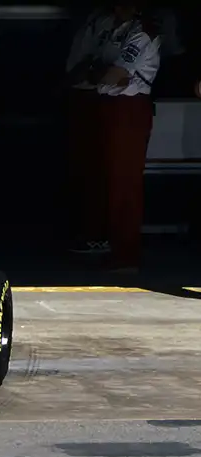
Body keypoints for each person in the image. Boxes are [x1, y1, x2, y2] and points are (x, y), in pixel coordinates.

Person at [92, 4, 161, 271]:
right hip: (112, 107)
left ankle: (126, 252)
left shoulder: (142, 33)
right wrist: (100, 73)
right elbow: (96, 68)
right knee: (111, 180)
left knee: (125, 182)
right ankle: (116, 247)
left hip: (129, 109)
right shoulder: (119, 30)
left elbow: (115, 74)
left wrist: (101, 73)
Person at [64, 7, 117, 254]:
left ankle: (97, 234)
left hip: (95, 96)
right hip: (80, 96)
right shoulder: (90, 19)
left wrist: (78, 75)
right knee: (82, 168)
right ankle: (87, 231)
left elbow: (96, 64)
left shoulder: (113, 23)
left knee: (96, 169)